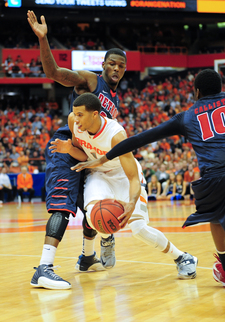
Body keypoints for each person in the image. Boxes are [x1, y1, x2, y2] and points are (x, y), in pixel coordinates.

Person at [73, 69, 225, 311]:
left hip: (212, 178)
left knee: (215, 215)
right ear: (221, 88)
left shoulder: (186, 116)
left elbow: (140, 139)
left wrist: (103, 159)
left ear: (196, 92)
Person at [49, 93, 197, 286]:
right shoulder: (74, 122)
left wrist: (131, 202)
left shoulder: (116, 135)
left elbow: (133, 176)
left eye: (80, 115)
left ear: (95, 114)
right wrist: (69, 149)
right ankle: (106, 237)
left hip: (123, 176)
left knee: (138, 229)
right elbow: (85, 156)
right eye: (74, 114)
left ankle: (182, 257)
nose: (75, 119)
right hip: (98, 173)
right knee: (94, 216)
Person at [28, 10, 127, 290]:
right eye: (112, 64)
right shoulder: (91, 81)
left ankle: (86, 257)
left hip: (90, 152)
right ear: (104, 65)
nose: (116, 69)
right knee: (63, 205)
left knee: (92, 204)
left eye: (121, 65)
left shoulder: (114, 99)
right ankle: (44, 269)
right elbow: (54, 73)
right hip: (67, 145)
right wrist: (44, 39)